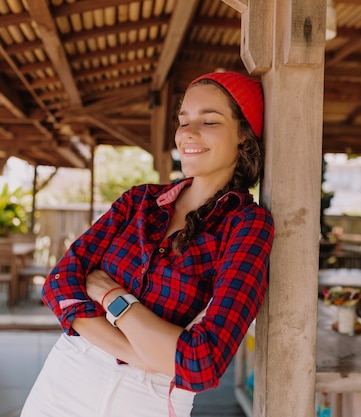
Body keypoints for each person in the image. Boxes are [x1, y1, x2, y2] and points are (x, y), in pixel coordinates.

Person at [21, 71, 275, 417]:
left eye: (209, 121)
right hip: (66, 380)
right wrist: (148, 355)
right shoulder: (139, 201)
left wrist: (112, 296)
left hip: (147, 401)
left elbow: (203, 363)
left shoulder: (246, 225)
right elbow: (59, 286)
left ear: (244, 135)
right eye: (183, 120)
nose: (188, 133)